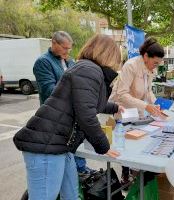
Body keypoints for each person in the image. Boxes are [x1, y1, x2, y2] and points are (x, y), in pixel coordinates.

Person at [14, 34, 122, 200]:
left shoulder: (86, 68)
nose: (117, 63)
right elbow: (86, 114)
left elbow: (85, 101)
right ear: (108, 55)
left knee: (71, 195)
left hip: (60, 145)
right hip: (46, 145)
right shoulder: (89, 70)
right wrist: (104, 146)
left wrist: (114, 107)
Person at [109, 37, 165, 185]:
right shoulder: (131, 66)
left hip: (138, 107)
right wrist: (145, 106)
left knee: (138, 139)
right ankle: (125, 175)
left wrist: (155, 103)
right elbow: (122, 94)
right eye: (155, 62)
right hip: (122, 108)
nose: (156, 66)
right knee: (124, 142)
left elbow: (147, 91)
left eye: (158, 63)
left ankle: (138, 172)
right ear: (146, 56)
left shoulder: (151, 68)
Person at [33, 31, 90, 174]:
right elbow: (49, 91)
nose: (68, 51)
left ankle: (81, 171)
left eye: (69, 48)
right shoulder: (43, 62)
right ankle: (72, 175)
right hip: (54, 117)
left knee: (76, 147)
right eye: (65, 48)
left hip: (72, 116)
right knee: (62, 152)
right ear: (53, 43)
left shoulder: (70, 62)